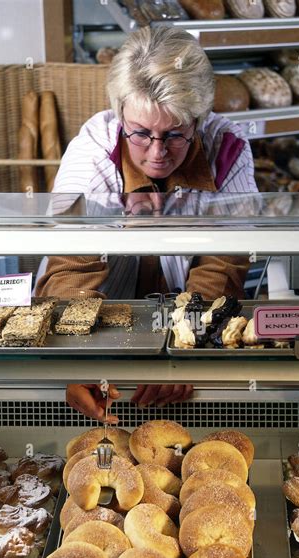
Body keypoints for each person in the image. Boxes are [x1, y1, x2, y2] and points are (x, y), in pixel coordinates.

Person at [35, 25, 258, 419]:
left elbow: (223, 260)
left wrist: (190, 343)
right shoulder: (92, 153)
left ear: (199, 118)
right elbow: (73, 266)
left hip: (186, 307)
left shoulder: (227, 147)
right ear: (120, 113)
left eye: (174, 134)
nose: (157, 153)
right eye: (140, 133)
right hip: (103, 309)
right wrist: (78, 360)